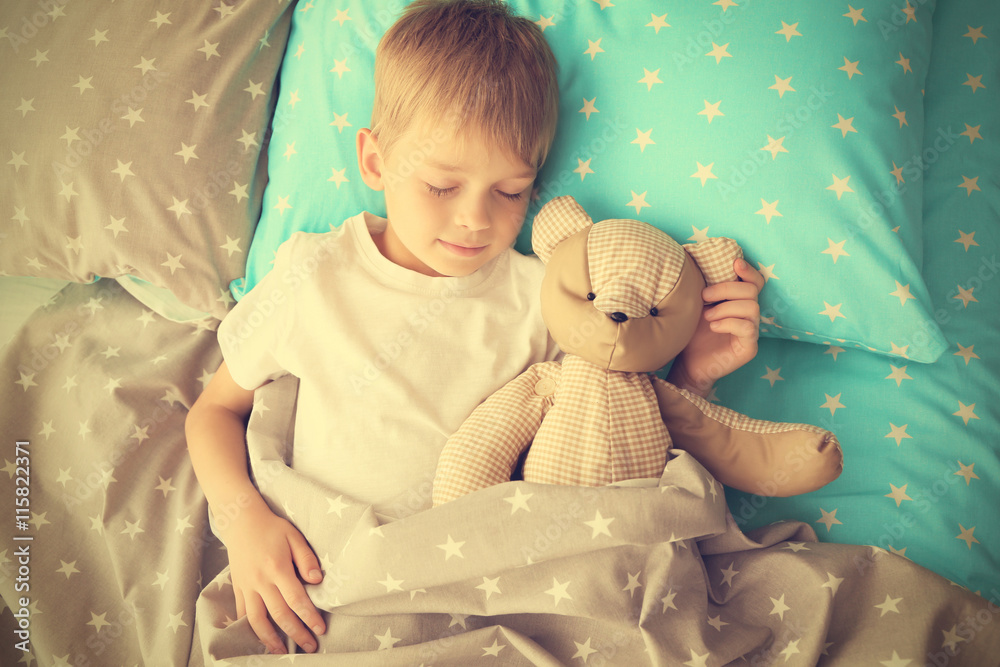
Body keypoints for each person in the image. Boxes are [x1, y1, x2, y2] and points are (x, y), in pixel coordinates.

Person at [185, 0, 764, 656]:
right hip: (328, 588)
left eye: (510, 191)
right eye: (440, 185)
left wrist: (693, 372)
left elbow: (613, 445)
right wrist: (244, 522)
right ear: (375, 162)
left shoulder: (546, 298)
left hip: (481, 599)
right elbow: (213, 411)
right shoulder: (312, 273)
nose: (473, 219)